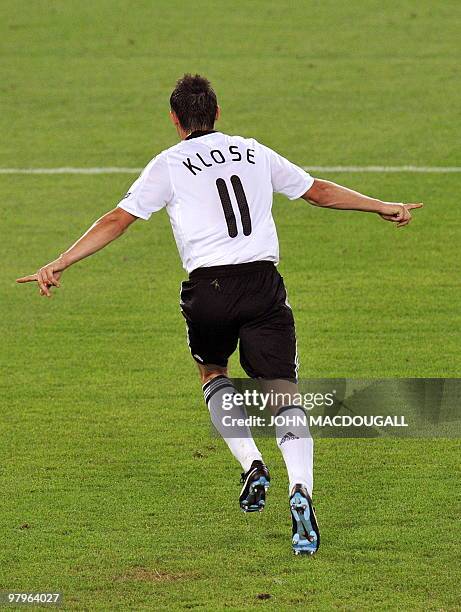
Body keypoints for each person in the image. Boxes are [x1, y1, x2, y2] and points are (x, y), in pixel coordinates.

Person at [17, 73, 423, 555]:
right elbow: (316, 191)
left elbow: (116, 220)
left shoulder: (167, 164)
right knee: (282, 392)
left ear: (174, 120)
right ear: (218, 112)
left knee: (213, 373)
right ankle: (300, 490)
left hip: (207, 289)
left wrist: (59, 262)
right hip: (261, 284)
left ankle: (251, 463)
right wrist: (381, 206)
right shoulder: (253, 150)